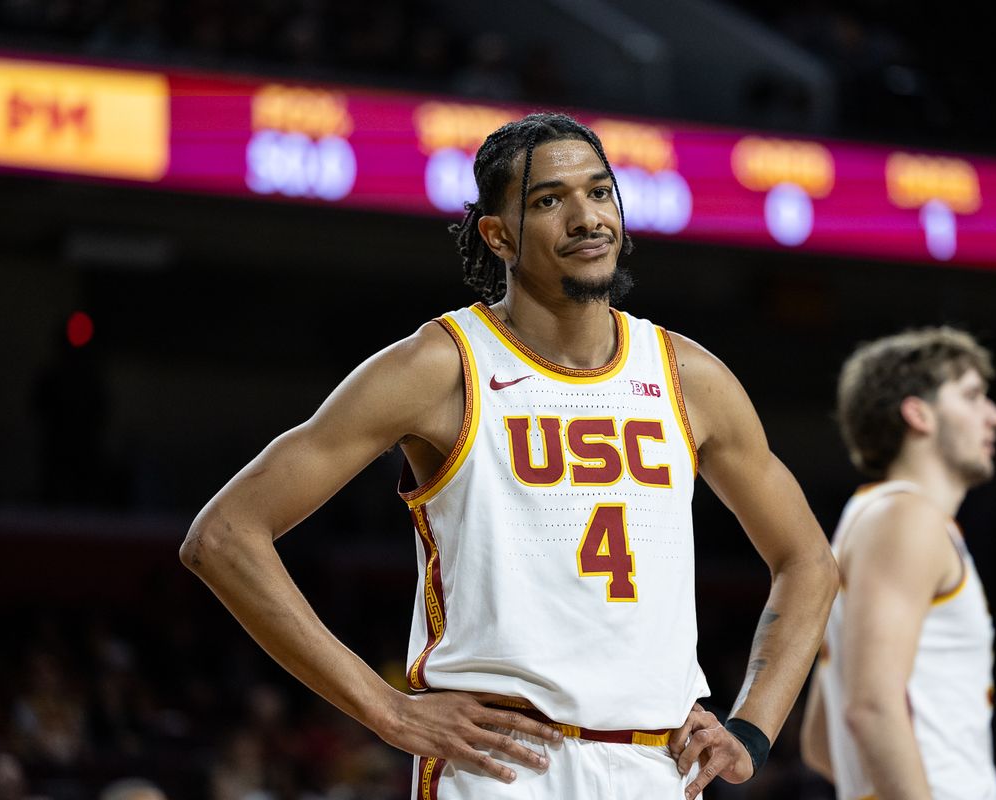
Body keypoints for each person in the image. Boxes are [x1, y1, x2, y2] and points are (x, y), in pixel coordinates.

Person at [182, 112, 837, 800]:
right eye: (550, 200)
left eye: (600, 192)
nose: (587, 217)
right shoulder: (442, 365)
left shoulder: (687, 375)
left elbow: (809, 562)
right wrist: (386, 708)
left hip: (657, 768)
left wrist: (754, 730)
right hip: (503, 768)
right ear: (498, 235)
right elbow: (224, 537)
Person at [800, 328, 996, 799]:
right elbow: (871, 707)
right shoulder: (906, 518)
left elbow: (818, 741)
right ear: (918, 413)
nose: (995, 416)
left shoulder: (874, 517)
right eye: (973, 397)